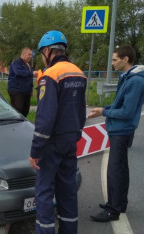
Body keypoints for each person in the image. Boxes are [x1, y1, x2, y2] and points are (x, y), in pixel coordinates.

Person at [29, 30, 87, 234]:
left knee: (44, 191)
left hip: (51, 143)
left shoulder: (50, 75)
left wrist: (35, 150)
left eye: (41, 53)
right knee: (68, 191)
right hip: (70, 141)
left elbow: (45, 117)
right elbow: (81, 110)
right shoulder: (78, 72)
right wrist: (76, 134)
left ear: (47, 50)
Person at [89, 45, 144, 222]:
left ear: (125, 59)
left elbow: (126, 112)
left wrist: (105, 112)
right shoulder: (128, 77)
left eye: (114, 60)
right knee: (120, 168)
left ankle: (113, 210)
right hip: (119, 129)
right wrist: (103, 109)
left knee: (115, 170)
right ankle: (119, 203)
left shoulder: (135, 81)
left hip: (122, 130)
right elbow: (118, 104)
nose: (112, 63)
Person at [7, 47, 37, 117]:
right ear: (23, 54)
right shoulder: (16, 62)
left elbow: (29, 78)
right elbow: (18, 72)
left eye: (31, 55)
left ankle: (23, 125)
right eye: (29, 54)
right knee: (18, 110)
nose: (31, 56)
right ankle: (14, 125)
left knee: (25, 110)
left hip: (26, 91)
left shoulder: (28, 65)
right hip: (17, 90)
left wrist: (30, 90)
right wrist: (31, 73)